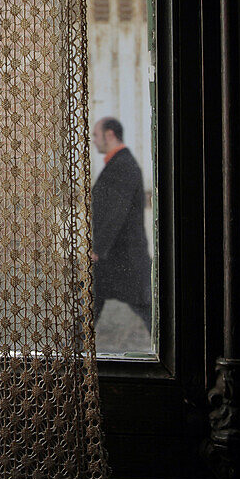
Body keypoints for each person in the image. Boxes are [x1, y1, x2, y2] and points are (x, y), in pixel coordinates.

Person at [90, 117, 152, 331]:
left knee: (147, 309)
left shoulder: (122, 165)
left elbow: (115, 211)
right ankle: (77, 350)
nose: (94, 140)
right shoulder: (119, 164)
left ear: (109, 135)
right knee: (90, 303)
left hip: (123, 256)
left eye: (96, 135)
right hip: (115, 257)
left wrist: (97, 247)